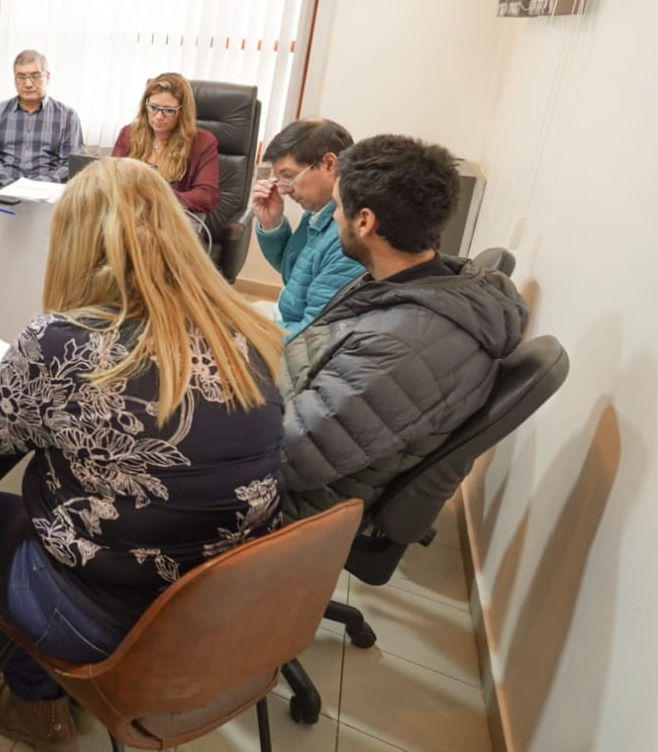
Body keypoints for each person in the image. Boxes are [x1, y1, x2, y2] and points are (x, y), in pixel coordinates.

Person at [0, 158, 285, 750]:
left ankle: (35, 697)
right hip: (234, 604)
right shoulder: (243, 330)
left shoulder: (61, 339)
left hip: (124, 623)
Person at [280, 135, 528, 520]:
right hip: (292, 424)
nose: (332, 216)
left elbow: (287, 456)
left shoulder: (402, 344)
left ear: (365, 222)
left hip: (294, 510)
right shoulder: (416, 284)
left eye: (339, 207)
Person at [250, 118, 363, 338]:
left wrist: (253, 335)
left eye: (289, 177)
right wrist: (271, 224)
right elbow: (295, 270)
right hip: (287, 316)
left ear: (330, 164)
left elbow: (312, 335)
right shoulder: (319, 210)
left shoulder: (349, 238)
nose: (283, 190)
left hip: (296, 335)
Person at [111, 72, 220, 222]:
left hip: (170, 221)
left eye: (169, 111)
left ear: (183, 113)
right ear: (145, 106)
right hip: (128, 216)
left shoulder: (202, 142)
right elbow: (109, 177)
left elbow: (207, 196)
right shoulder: (129, 133)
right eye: (153, 107)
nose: (158, 116)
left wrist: (158, 196)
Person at [0, 50, 84, 190]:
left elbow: (71, 163)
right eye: (21, 77)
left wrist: (37, 186)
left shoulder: (68, 116)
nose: (28, 84)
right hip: (2, 190)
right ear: (14, 79)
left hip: (47, 193)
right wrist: (11, 186)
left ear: (48, 77)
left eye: (35, 76)